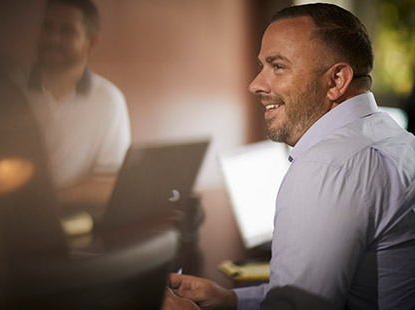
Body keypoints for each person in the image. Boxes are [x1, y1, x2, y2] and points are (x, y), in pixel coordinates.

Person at [163, 3, 415, 310]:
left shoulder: (326, 167)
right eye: (262, 67)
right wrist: (232, 299)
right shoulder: (394, 137)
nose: (255, 85)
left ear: (336, 81)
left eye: (278, 66)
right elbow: (305, 295)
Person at [23, 0, 131, 208]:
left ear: (92, 43)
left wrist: (45, 200)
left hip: (75, 223)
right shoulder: (11, 92)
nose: (54, 39)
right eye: (48, 27)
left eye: (68, 32)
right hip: (5, 224)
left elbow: (109, 183)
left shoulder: (109, 100)